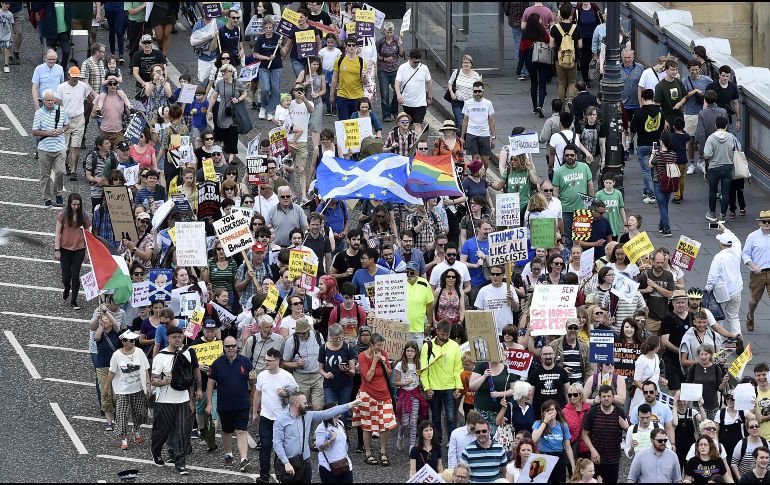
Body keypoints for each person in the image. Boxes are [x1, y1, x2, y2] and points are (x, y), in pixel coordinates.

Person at [274, 391, 360, 483]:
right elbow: (277, 443)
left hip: (305, 462)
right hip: (289, 462)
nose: (307, 405)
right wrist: (286, 462)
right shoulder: (281, 419)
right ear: (296, 404)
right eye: (304, 403)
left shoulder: (308, 415)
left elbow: (328, 412)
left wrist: (351, 404)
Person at [150, 326, 198, 475]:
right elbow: (153, 380)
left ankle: (180, 463)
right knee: (162, 432)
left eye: (179, 336)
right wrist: (163, 382)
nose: (177, 339)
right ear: (168, 338)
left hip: (183, 400)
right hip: (165, 401)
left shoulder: (188, 353)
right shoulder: (160, 357)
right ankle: (156, 451)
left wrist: (191, 399)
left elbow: (191, 379)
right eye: (174, 337)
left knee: (183, 432)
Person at [206, 336, 255, 472]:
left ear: (237, 347)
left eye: (233, 345)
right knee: (227, 431)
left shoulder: (245, 362)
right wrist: (209, 403)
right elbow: (210, 384)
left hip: (242, 404)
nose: (231, 348)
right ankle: (228, 454)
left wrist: (252, 380)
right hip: (224, 404)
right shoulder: (216, 363)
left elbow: (252, 383)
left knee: (241, 431)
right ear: (224, 347)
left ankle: (243, 459)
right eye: (228, 346)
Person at [351, 331, 396, 467]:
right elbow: (367, 377)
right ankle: (368, 453)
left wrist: (383, 362)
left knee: (386, 424)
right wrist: (375, 361)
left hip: (384, 393)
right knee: (367, 424)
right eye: (377, 345)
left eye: (381, 345)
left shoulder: (384, 354)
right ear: (371, 345)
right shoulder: (362, 356)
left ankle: (383, 451)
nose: (380, 348)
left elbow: (389, 373)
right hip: (368, 393)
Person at [253, 348, 297, 483]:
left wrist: (285, 393)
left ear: (277, 361)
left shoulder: (287, 376)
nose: (266, 362)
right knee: (265, 447)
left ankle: (280, 474)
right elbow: (257, 394)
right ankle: (264, 475)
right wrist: (255, 412)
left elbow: (296, 392)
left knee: (281, 448)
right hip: (266, 417)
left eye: (269, 360)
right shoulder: (262, 375)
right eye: (265, 360)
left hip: (281, 419)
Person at [103, 330, 151, 450]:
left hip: (138, 389)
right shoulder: (116, 355)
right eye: (131, 340)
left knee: (140, 413)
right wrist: (106, 388)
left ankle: (136, 430)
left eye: (134, 340)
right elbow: (111, 373)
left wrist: (148, 385)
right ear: (123, 342)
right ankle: (124, 438)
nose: (134, 342)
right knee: (122, 415)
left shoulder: (139, 352)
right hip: (123, 391)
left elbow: (146, 369)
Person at [421, 320, 463, 447]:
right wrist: (427, 388)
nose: (445, 337)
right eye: (442, 334)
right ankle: (436, 443)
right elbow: (424, 370)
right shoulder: (427, 346)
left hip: (450, 387)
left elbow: (458, 368)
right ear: (437, 331)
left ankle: (452, 443)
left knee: (451, 418)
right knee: (436, 418)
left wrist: (459, 387)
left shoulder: (455, 346)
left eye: (447, 334)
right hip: (434, 388)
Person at [582, 385, 629, 483]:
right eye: (604, 396)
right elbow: (584, 434)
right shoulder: (593, 412)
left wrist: (627, 427)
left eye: (609, 396)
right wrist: (592, 449)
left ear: (613, 397)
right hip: (597, 458)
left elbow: (631, 433)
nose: (606, 399)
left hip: (614, 458)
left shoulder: (619, 412)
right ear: (600, 397)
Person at [55, 66, 95, 181]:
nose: (75, 79)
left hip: (78, 119)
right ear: (68, 76)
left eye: (77, 77)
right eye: (73, 77)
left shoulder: (83, 86)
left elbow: (89, 98)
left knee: (75, 146)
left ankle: (73, 170)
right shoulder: (61, 87)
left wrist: (94, 109)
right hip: (65, 119)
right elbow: (58, 103)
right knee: (65, 146)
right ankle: (65, 164)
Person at [552, 143, 594, 249]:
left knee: (582, 239)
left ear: (576, 155)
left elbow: (590, 185)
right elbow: (555, 192)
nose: (569, 157)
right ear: (564, 156)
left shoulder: (584, 167)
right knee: (568, 239)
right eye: (567, 155)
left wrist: (592, 204)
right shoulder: (559, 172)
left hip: (582, 209)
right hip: (565, 210)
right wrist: (556, 209)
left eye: (571, 155)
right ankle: (567, 263)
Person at [54, 193, 91, 310]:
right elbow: (58, 233)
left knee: (75, 275)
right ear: (70, 204)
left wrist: (87, 252)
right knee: (66, 277)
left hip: (79, 249)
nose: (76, 207)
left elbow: (88, 234)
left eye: (78, 204)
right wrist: (57, 249)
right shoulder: (63, 215)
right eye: (74, 204)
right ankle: (66, 287)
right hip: (64, 249)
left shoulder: (84, 216)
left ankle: (74, 300)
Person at [705, 223, 743, 335]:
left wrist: (707, 289)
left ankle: (719, 343)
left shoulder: (719, 257)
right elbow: (735, 239)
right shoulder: (736, 250)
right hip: (736, 290)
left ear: (721, 244)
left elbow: (712, 277)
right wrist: (725, 229)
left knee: (718, 317)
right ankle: (738, 339)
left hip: (721, 292)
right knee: (734, 316)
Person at [630, 88, 665, 204]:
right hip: (656, 144)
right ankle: (647, 189)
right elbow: (662, 128)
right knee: (654, 169)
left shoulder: (638, 113)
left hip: (643, 144)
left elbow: (633, 130)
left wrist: (629, 140)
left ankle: (651, 194)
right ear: (653, 98)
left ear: (642, 99)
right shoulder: (660, 112)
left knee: (645, 170)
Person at [704, 116, 740, 223]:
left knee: (712, 191)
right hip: (728, 167)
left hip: (714, 167)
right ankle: (723, 215)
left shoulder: (711, 138)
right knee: (725, 192)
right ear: (726, 125)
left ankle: (712, 213)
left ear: (716, 125)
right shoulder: (732, 137)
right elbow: (738, 149)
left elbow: (707, 154)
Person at [532, 400, 575, 483]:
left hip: (558, 458)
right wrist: (545, 422)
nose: (551, 412)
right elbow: (534, 439)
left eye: (552, 409)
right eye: (547, 411)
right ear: (544, 413)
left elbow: (568, 448)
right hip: (543, 456)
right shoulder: (538, 423)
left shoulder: (563, 425)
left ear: (556, 411)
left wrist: (573, 465)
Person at [742, 211, 770, 331]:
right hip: (758, 273)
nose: (767, 224)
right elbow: (745, 254)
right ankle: (750, 316)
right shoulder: (752, 236)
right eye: (764, 221)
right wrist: (753, 266)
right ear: (759, 223)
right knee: (754, 301)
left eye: (769, 222)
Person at [330, 35, 368, 121]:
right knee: (344, 123)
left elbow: (365, 82)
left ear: (356, 47)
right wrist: (332, 94)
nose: (351, 47)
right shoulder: (339, 60)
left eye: (353, 45)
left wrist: (364, 76)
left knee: (357, 124)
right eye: (349, 45)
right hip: (342, 96)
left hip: (357, 97)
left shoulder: (362, 61)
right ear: (345, 47)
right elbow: (334, 78)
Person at [550, 3, 582, 100]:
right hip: (573, 59)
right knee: (572, 82)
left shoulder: (555, 28)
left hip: (559, 59)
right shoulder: (576, 28)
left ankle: (561, 104)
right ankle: (570, 101)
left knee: (561, 82)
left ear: (560, 14)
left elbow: (551, 45)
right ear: (571, 14)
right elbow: (580, 45)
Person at [395, 49, 433, 134]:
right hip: (407, 102)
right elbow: (397, 83)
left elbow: (429, 83)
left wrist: (429, 97)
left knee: (418, 124)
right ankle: (410, 142)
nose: (416, 64)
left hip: (420, 103)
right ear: (410, 59)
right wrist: (398, 95)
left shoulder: (424, 68)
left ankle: (417, 146)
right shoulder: (402, 68)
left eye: (418, 62)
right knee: (410, 125)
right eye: (414, 62)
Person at [316, 401, 353, 484]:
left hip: (345, 464)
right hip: (328, 467)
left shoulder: (340, 423)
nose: (340, 410)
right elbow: (320, 448)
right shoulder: (322, 428)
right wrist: (331, 440)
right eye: (337, 408)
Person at [460, 81, 496, 168]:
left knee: (485, 161)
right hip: (471, 134)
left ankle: (484, 175)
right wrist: (462, 137)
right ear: (472, 92)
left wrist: (494, 137)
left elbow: (491, 121)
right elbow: (465, 120)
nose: (477, 93)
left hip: (484, 134)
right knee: (475, 159)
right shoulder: (467, 103)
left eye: (479, 91)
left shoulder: (488, 103)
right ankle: (476, 178)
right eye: (475, 91)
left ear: (483, 91)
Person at [521, 14, 550, 117]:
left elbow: (522, 50)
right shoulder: (542, 31)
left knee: (534, 83)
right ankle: (540, 106)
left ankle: (534, 107)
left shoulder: (525, 33)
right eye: (540, 19)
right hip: (542, 59)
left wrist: (520, 66)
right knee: (542, 84)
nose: (541, 20)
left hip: (530, 60)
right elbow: (548, 40)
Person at [527, 345, 570, 412]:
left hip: (559, 413)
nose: (548, 356)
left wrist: (569, 410)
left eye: (550, 354)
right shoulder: (534, 373)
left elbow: (567, 393)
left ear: (554, 355)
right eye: (545, 354)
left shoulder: (562, 372)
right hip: (540, 413)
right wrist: (529, 413)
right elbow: (530, 395)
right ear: (541, 356)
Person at [375, 23, 403, 122]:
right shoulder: (380, 41)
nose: (389, 34)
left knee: (397, 92)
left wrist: (400, 46)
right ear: (384, 32)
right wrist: (384, 59)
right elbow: (375, 55)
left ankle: (394, 110)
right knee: (385, 94)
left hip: (395, 69)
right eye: (387, 32)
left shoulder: (397, 39)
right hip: (383, 70)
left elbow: (401, 54)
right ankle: (386, 114)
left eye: (391, 32)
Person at [707, 65, 741, 133]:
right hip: (714, 116)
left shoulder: (733, 87)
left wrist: (738, 119)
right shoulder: (711, 86)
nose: (725, 78)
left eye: (727, 76)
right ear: (719, 75)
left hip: (727, 117)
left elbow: (736, 103)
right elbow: (706, 102)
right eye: (723, 76)